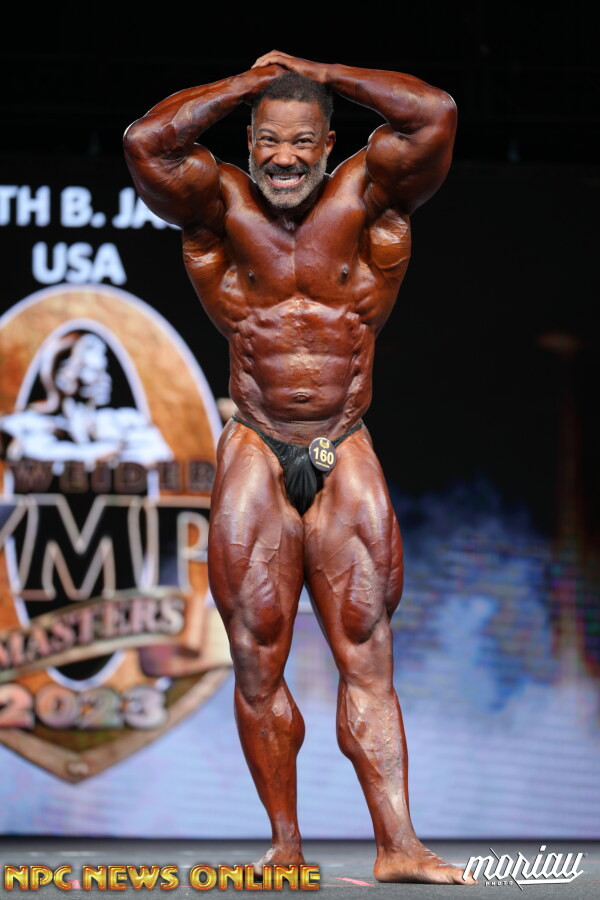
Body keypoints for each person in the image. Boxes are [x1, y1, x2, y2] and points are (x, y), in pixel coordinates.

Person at [124, 50, 474, 885]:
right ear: (249, 141)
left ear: (328, 145)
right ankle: (284, 846)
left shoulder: (372, 197)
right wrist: (248, 83)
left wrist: (318, 70)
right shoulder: (217, 205)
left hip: (342, 441)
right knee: (256, 656)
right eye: (270, 141)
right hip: (256, 441)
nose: (285, 158)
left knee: (367, 648)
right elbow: (146, 143)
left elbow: (435, 114)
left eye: (302, 141)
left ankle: (398, 845)